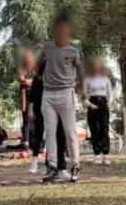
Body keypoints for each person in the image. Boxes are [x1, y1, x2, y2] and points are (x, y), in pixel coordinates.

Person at [39, 14, 83, 184]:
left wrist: (81, 89)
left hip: (66, 92)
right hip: (48, 93)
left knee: (70, 131)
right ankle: (52, 166)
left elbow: (80, 72)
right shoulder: (47, 48)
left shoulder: (73, 51)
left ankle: (75, 165)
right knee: (49, 132)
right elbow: (38, 66)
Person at [84, 59, 112, 165]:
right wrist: (90, 105)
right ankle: (97, 154)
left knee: (104, 128)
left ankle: (106, 154)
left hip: (103, 103)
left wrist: (109, 102)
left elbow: (110, 93)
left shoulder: (106, 79)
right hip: (92, 103)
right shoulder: (87, 79)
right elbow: (84, 96)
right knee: (94, 129)